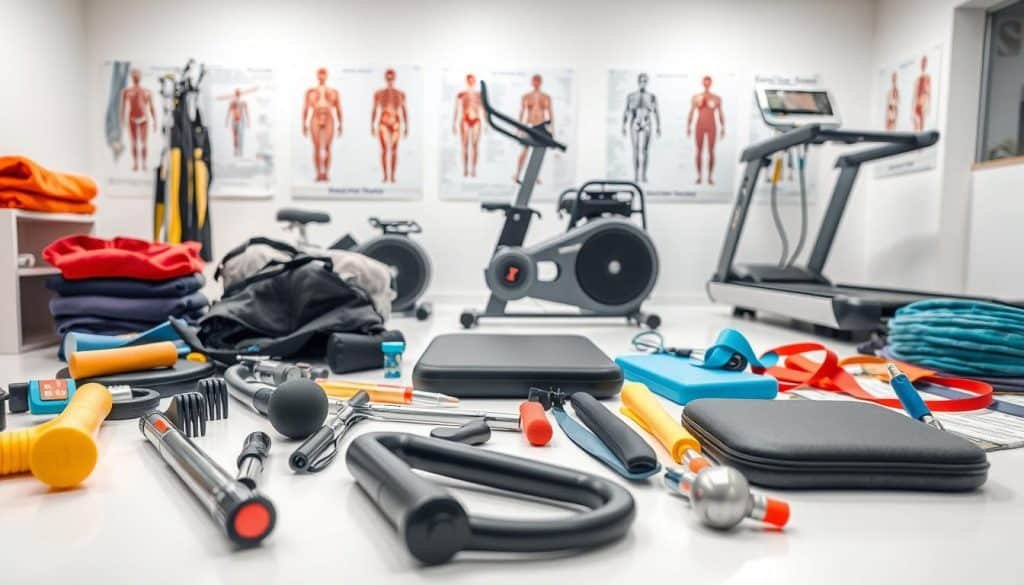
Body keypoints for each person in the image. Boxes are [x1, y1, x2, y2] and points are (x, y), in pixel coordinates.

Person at [302, 68, 343, 182]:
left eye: (323, 74)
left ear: (326, 76)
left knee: (327, 147)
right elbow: (305, 108)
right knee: (316, 147)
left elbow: (339, 108)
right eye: (320, 74)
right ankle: (318, 173)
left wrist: (341, 123)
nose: (321, 76)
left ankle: (326, 173)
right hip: (315, 116)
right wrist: (303, 124)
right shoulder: (310, 92)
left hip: (329, 116)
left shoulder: (333, 92)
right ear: (317, 76)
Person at [513, 74, 554, 183]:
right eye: (534, 81)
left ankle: (536, 175)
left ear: (541, 82)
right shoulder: (526, 96)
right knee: (524, 151)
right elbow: (521, 113)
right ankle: (517, 174)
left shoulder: (546, 97)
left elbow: (550, 113)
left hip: (541, 126)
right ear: (532, 82)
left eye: (538, 81)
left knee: (539, 152)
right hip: (529, 125)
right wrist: (519, 128)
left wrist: (551, 128)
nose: (536, 83)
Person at [371, 69, 408, 183]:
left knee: (394, 150)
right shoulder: (379, 93)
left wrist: (407, 126)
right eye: (388, 78)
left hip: (396, 121)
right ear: (385, 78)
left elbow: (404, 109)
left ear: (394, 78)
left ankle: (392, 176)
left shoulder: (400, 94)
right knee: (384, 150)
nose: (390, 80)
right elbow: (374, 109)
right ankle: (385, 176)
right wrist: (372, 124)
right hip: (383, 121)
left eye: (391, 77)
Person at [621, 73, 660, 183]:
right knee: (636, 149)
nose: (643, 83)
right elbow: (626, 111)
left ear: (647, 82)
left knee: (645, 150)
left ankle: (644, 175)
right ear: (638, 82)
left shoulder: (651, 97)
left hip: (647, 121)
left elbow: (656, 112)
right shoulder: (631, 96)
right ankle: (636, 175)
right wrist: (623, 125)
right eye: (641, 81)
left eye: (645, 81)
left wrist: (658, 126)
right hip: (635, 121)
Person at [687, 75, 725, 186]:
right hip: (700, 125)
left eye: (709, 82)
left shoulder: (717, 98)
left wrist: (723, 127)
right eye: (705, 82)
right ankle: (699, 176)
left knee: (711, 151)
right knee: (698, 151)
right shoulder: (696, 97)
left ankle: (709, 177)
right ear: (703, 83)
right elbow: (691, 112)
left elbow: (720, 113)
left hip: (712, 125)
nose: (707, 84)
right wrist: (688, 126)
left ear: (711, 83)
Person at [120, 68, 156, 172]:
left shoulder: (146, 91)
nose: (136, 77)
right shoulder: (126, 91)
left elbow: (152, 107)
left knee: (144, 143)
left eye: (138, 75)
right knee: (134, 143)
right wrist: (122, 120)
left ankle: (144, 163)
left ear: (140, 77)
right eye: (134, 75)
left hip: (143, 119)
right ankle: (135, 163)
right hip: (132, 119)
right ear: (132, 77)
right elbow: (122, 107)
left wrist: (155, 122)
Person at [452, 74, 483, 178]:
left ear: (474, 81)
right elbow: (456, 109)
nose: (471, 82)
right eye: (469, 80)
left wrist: (487, 123)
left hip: (476, 119)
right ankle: (465, 169)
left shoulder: (479, 94)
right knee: (465, 146)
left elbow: (483, 109)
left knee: (474, 145)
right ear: (467, 81)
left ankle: (473, 169)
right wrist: (454, 123)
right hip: (465, 119)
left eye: (472, 80)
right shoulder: (461, 94)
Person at [224, 88, 251, 157]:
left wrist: (248, 121)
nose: (237, 95)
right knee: (235, 136)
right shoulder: (232, 102)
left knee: (240, 135)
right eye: (236, 93)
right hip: (234, 120)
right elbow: (229, 112)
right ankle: (236, 150)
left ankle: (240, 150)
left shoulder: (243, 102)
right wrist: (226, 121)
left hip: (241, 120)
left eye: (238, 93)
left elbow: (246, 112)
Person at [912, 56, 931, 132]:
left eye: (924, 62)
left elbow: (929, 93)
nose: (923, 64)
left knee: (921, 127)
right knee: (916, 126)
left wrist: (928, 106)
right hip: (917, 104)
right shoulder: (917, 78)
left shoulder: (927, 78)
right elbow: (914, 94)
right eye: (922, 62)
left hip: (923, 104)